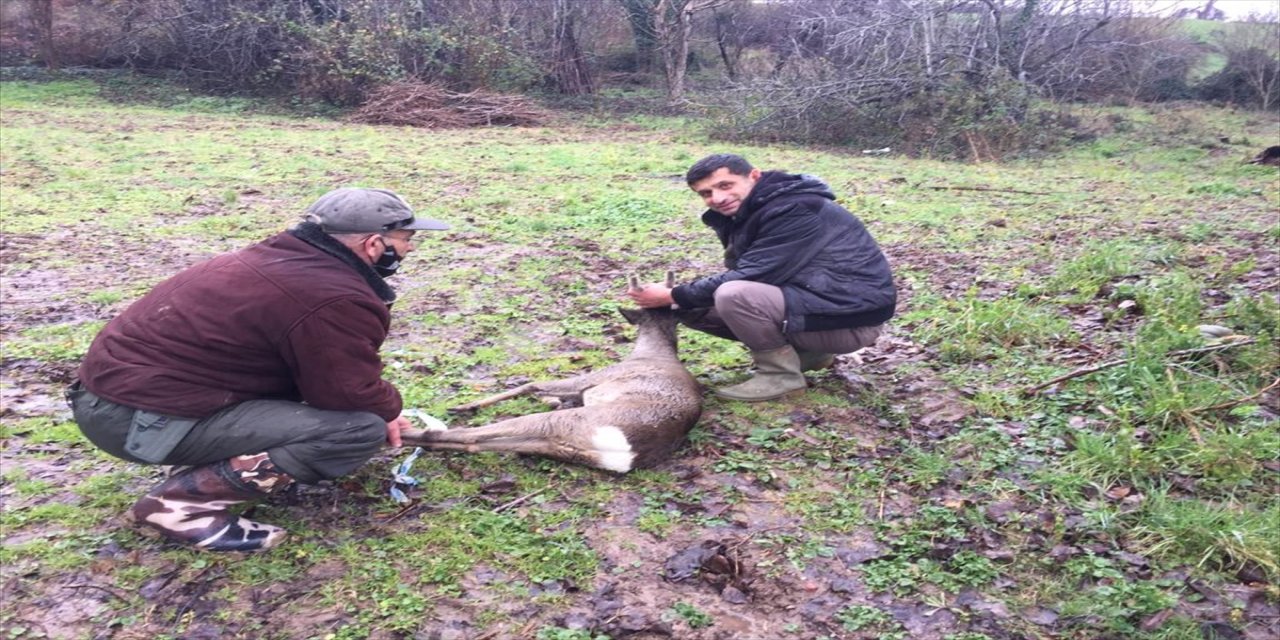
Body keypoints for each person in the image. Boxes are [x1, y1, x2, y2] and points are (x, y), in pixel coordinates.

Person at [66, 187, 449, 552]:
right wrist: (388, 410)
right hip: (133, 421)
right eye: (405, 238)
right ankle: (178, 507)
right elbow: (344, 392)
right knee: (355, 429)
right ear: (373, 244)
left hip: (109, 399)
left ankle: (210, 461)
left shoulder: (272, 258)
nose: (410, 247)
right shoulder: (334, 296)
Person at [628, 154, 895, 401]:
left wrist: (672, 293)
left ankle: (781, 377)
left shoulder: (795, 209)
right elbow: (753, 270)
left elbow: (752, 275)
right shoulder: (753, 210)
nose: (717, 198)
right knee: (691, 304)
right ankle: (810, 355)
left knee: (733, 295)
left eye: (725, 185)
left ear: (754, 176)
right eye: (706, 193)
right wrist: (679, 298)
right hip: (824, 308)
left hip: (850, 323)